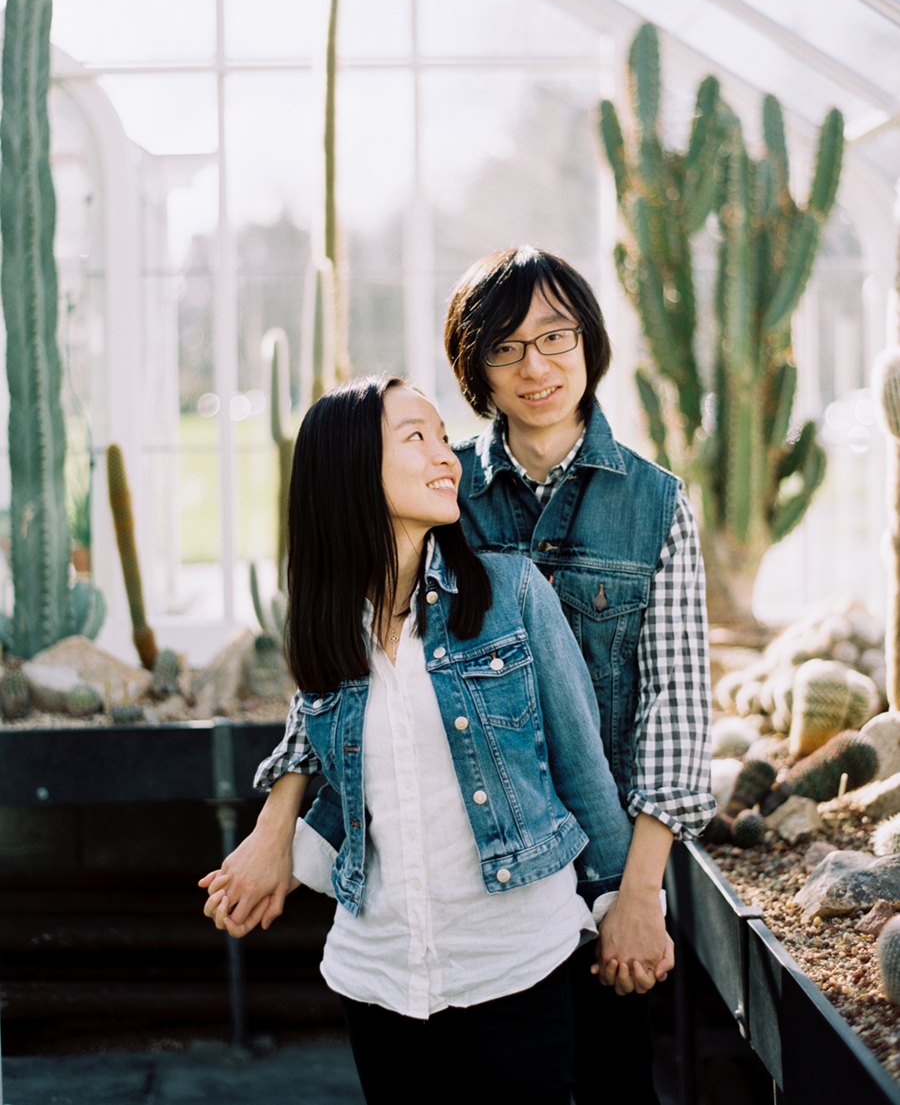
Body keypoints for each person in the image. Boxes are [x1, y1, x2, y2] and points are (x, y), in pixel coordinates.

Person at [200, 374, 641, 1105]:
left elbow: (583, 770)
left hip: (515, 964)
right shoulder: (326, 629)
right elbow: (327, 751)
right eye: (418, 438)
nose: (448, 457)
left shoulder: (511, 594)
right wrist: (273, 836)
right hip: (378, 977)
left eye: (444, 437)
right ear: (349, 470)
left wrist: (622, 907)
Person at [443, 245, 715, 1103]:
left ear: (590, 344)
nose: (537, 366)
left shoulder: (657, 501)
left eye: (556, 337)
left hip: (606, 872)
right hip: (473, 865)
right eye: (507, 346)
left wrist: (638, 893)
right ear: (477, 368)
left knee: (611, 1084)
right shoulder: (440, 491)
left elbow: (675, 710)